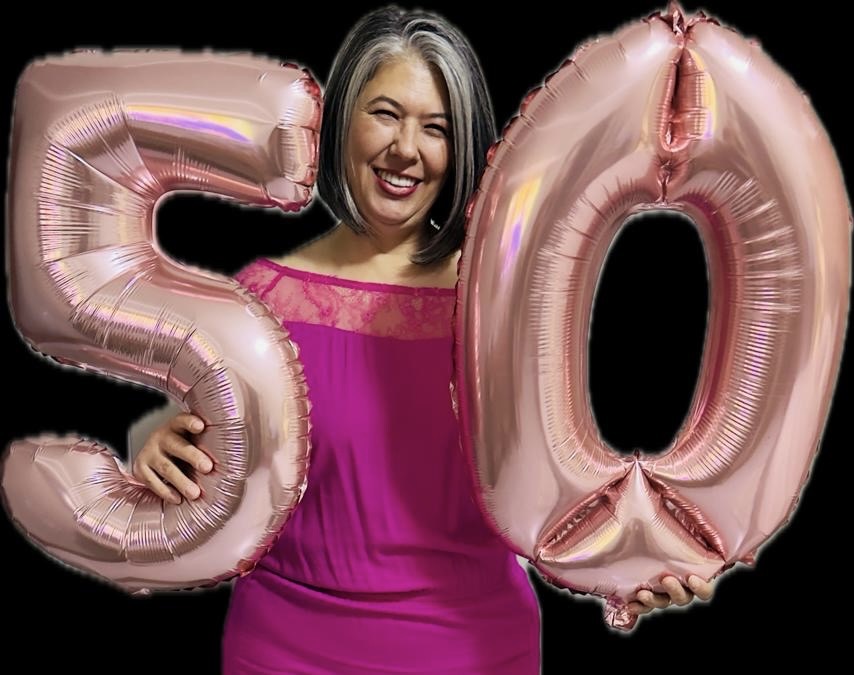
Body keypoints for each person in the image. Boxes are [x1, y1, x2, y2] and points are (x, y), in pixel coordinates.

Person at [130, 5, 715, 672]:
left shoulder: (503, 303)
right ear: (341, 120)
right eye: (385, 114)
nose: (406, 149)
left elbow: (563, 483)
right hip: (284, 646)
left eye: (435, 128)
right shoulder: (256, 301)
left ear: (460, 148)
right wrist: (155, 445)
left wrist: (635, 564)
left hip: (474, 650)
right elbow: (206, 472)